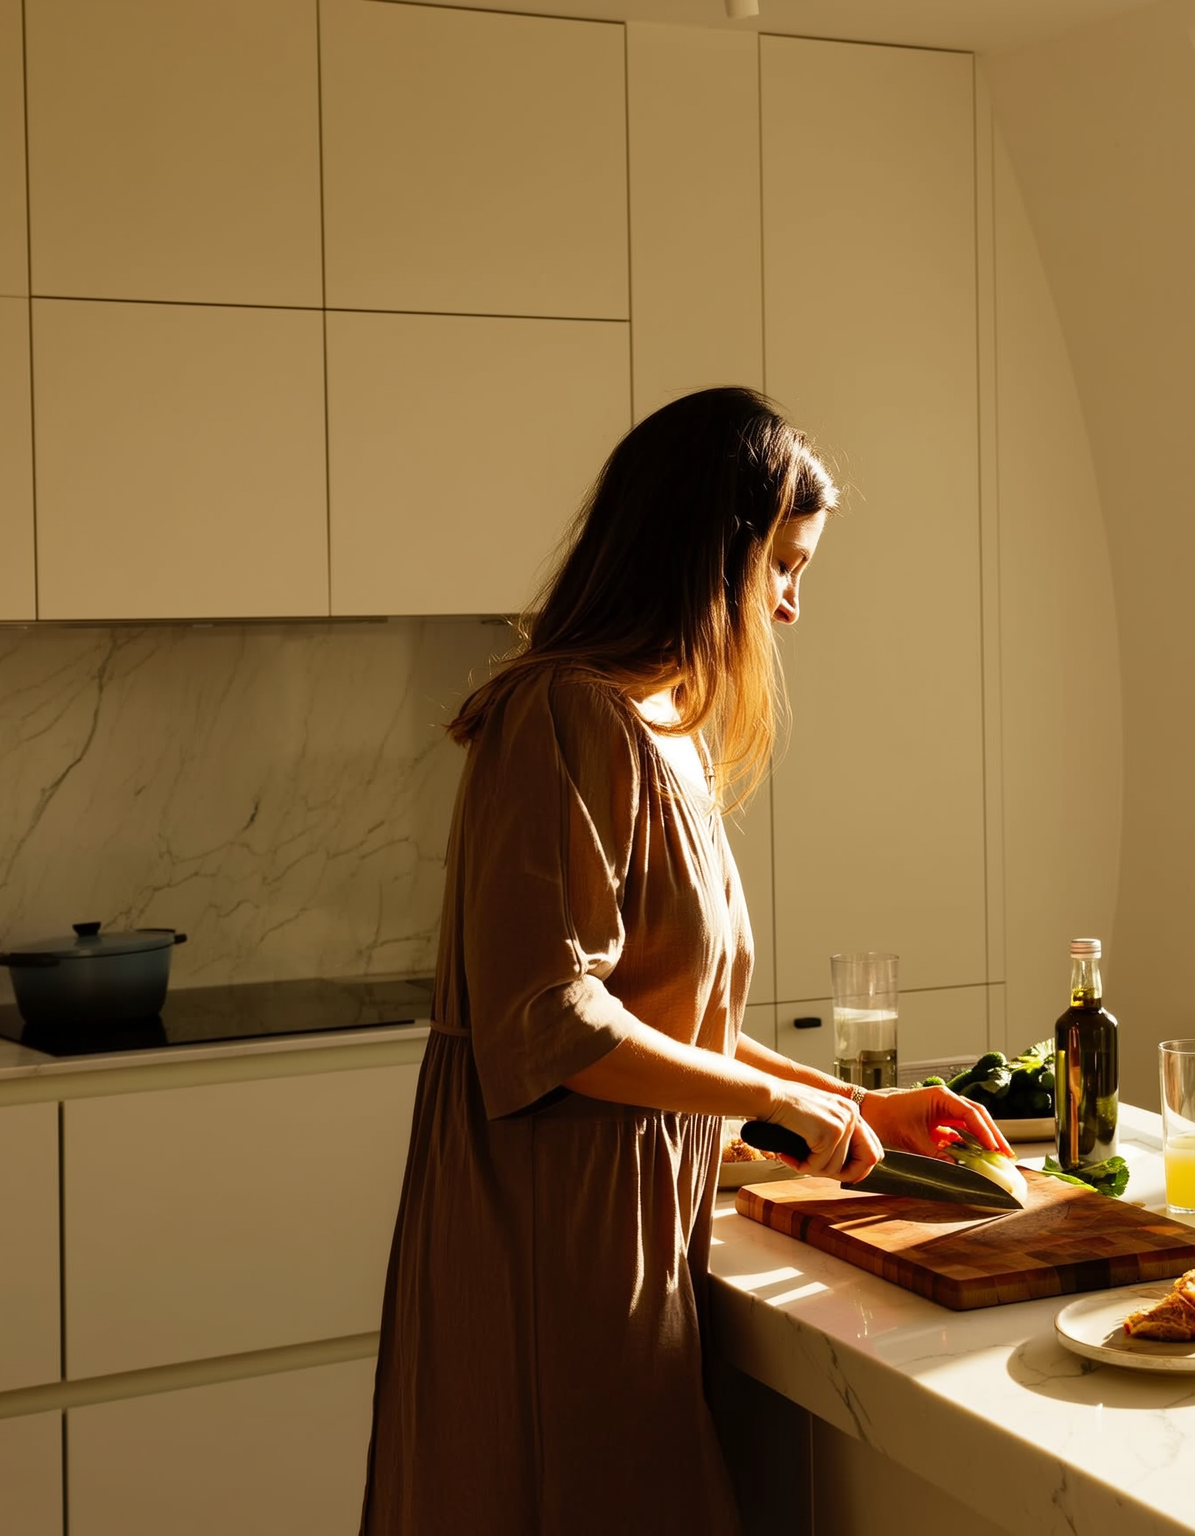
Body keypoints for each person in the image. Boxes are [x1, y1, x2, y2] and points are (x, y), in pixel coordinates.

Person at [358, 387, 1010, 1534]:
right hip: (545, 1238)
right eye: (782, 569)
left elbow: (670, 1010)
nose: (793, 606)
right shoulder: (564, 714)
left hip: (634, 1223)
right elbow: (552, 1021)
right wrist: (775, 1101)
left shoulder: (664, 729)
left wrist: (847, 1102)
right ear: (708, 559)